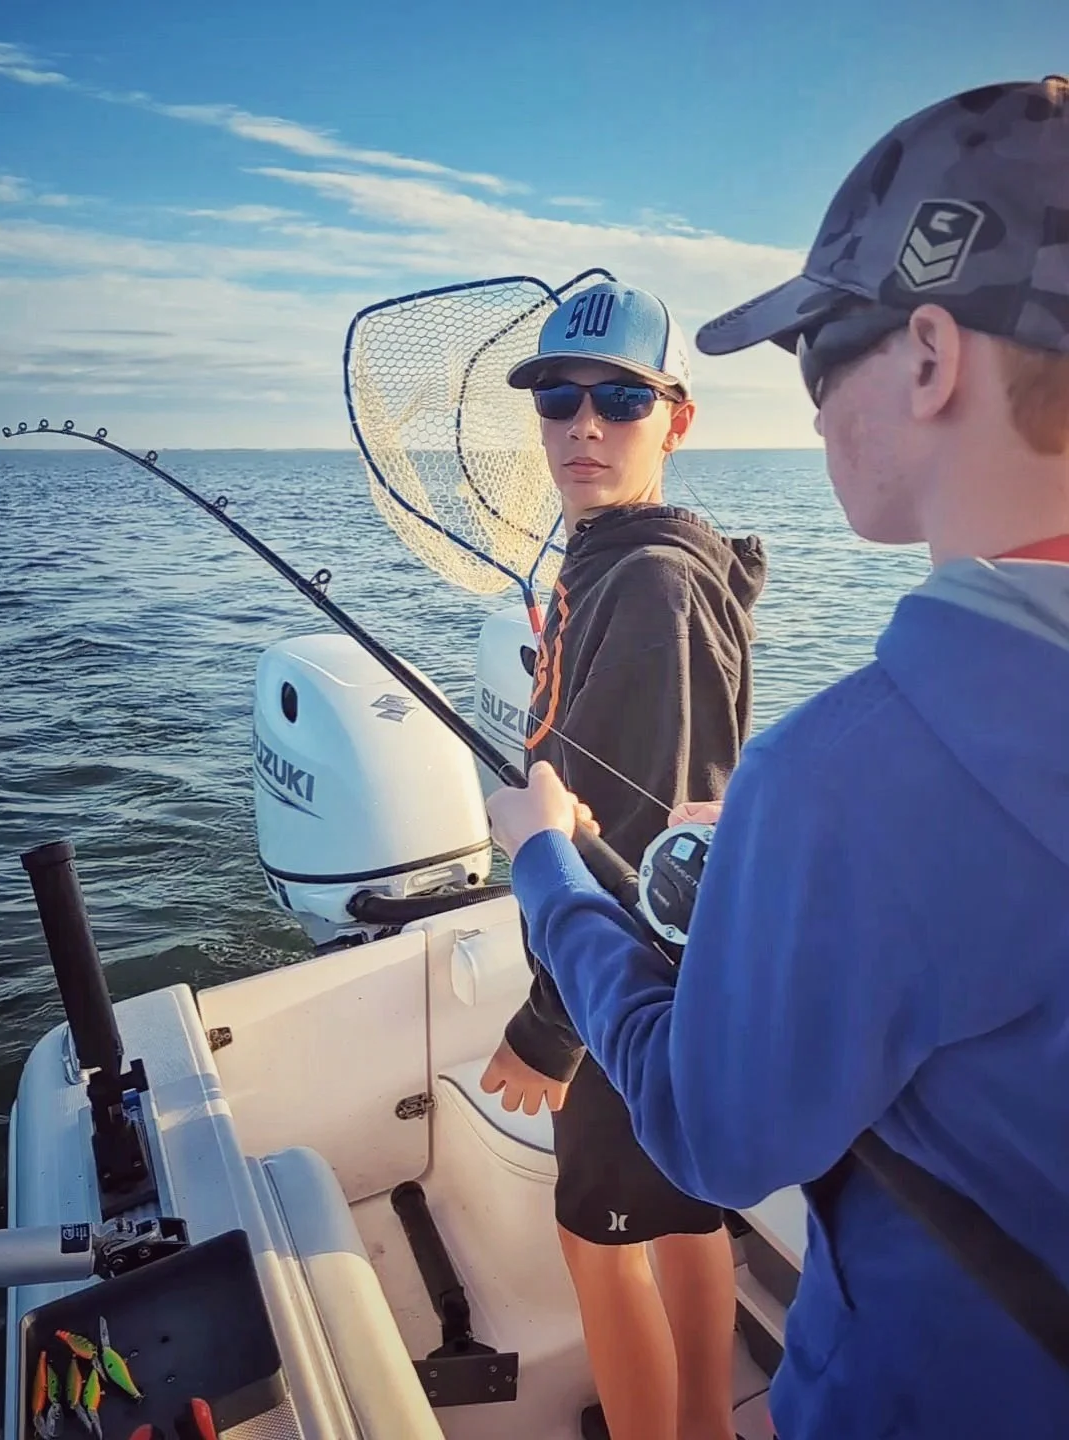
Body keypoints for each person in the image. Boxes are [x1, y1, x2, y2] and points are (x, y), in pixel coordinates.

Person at [486, 77, 1069, 1440]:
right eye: (554, 398)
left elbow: (708, 1131)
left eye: (819, 351)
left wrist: (545, 868)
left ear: (929, 355)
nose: (808, 410)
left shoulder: (856, 773)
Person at [479, 279, 767, 1440]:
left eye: (619, 397)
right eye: (557, 396)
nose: (583, 423)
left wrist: (550, 1030)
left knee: (595, 1238)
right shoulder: (622, 555)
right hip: (676, 987)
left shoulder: (648, 586)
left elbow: (650, 861)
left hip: (622, 992)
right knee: (685, 1215)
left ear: (675, 419)